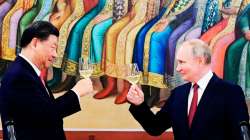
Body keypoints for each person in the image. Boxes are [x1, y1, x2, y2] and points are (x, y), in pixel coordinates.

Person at [127, 39, 249, 140]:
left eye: (181, 62)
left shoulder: (230, 92)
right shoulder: (178, 94)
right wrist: (139, 104)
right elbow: (155, 127)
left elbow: (242, 136)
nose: (178, 68)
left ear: (200, 61)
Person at [0, 21, 93, 140]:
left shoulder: (27, 71)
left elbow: (42, 112)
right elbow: (45, 115)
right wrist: (76, 92)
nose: (55, 55)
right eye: (53, 47)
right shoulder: (19, 75)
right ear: (35, 43)